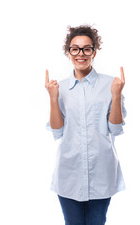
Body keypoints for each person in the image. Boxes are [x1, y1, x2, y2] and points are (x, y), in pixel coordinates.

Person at [45, 24, 126, 225]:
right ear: (68, 52)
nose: (80, 53)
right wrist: (53, 99)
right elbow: (57, 131)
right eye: (75, 48)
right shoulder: (60, 87)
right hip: (69, 171)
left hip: (101, 172)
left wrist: (116, 95)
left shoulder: (111, 84)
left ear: (94, 52)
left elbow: (115, 129)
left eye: (86, 48)